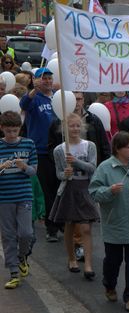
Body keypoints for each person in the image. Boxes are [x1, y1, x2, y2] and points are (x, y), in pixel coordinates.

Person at [89, 132, 129, 312]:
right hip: (114, 222)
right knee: (113, 261)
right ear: (117, 148)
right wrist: (109, 191)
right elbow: (93, 191)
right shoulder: (105, 168)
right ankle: (109, 285)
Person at [50, 113, 99, 279]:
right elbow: (58, 173)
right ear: (65, 128)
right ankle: (71, 259)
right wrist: (65, 173)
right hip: (69, 189)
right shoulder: (59, 150)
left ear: (82, 127)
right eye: (71, 126)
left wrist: (76, 162)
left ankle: (88, 264)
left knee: (86, 227)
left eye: (78, 125)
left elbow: (93, 167)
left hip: (85, 188)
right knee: (69, 226)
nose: (75, 129)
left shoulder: (89, 146)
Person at [0, 111, 37, 289]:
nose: (12, 135)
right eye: (8, 131)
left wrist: (25, 167)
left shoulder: (29, 144)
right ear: (2, 129)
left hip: (24, 195)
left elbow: (33, 172)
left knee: (26, 233)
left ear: (19, 129)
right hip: (4, 197)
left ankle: (22, 257)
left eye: (15, 131)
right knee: (8, 235)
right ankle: (14, 271)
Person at [20, 67, 57, 242]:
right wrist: (34, 89)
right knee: (47, 189)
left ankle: (61, 222)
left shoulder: (58, 98)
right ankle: (51, 227)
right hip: (40, 151)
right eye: (44, 78)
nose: (48, 81)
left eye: (50, 78)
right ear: (36, 80)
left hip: (58, 150)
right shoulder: (35, 99)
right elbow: (24, 105)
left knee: (59, 188)